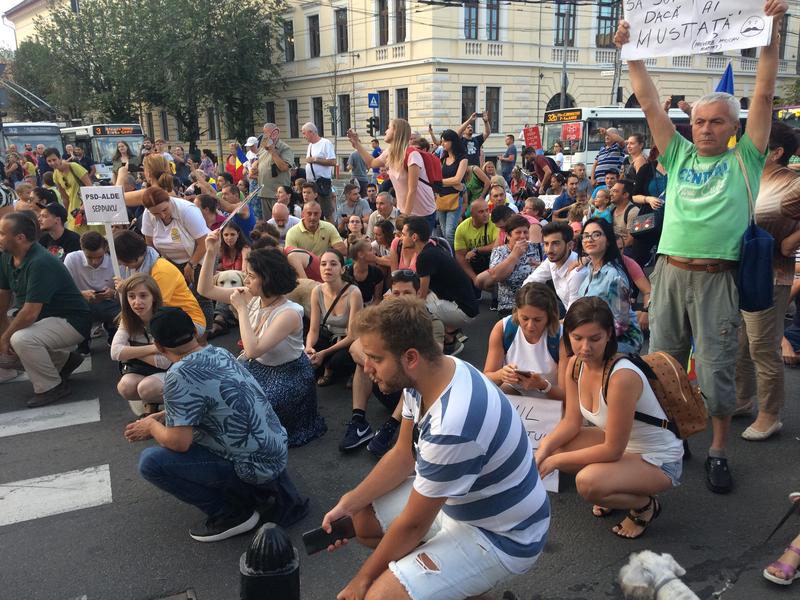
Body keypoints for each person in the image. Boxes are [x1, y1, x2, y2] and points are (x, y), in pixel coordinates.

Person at [615, 2, 785, 494]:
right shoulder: (679, 154)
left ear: (734, 127)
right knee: (663, 364)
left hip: (717, 277)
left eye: (716, 122)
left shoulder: (746, 159)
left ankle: (716, 450)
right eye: (700, 121)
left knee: (715, 370)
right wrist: (633, 52)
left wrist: (771, 36)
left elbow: (765, 90)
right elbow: (649, 103)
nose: (706, 128)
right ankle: (675, 438)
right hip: (669, 274)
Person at [322, 296, 550, 600]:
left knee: (379, 597)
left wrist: (362, 580)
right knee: (361, 521)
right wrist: (349, 502)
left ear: (411, 357)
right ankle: (451, 583)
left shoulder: (452, 425)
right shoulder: (435, 372)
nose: (366, 367)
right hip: (462, 503)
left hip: (503, 535)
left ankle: (448, 580)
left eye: (376, 358)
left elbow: (414, 524)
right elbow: (403, 455)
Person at [124, 306, 309, 542]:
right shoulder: (219, 353)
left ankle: (232, 513)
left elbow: (179, 443)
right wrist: (159, 418)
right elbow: (212, 403)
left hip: (252, 469)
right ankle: (247, 498)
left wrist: (150, 427)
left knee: (151, 462)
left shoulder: (179, 375)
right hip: (274, 453)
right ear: (194, 332)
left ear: (159, 347)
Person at [535, 296, 683, 538]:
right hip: (624, 445)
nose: (585, 348)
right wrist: (543, 450)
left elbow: (612, 450)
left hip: (658, 458)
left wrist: (553, 463)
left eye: (595, 339)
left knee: (587, 483)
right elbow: (571, 421)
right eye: (577, 338)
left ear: (609, 336)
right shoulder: (575, 364)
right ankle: (617, 484)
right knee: (556, 447)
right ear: (568, 335)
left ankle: (645, 506)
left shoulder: (621, 377)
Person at [198, 231, 326, 447]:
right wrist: (210, 252)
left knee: (251, 409)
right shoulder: (252, 295)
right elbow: (205, 289)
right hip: (257, 368)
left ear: (267, 279)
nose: (246, 280)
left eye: (251, 275)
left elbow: (253, 350)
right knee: (218, 393)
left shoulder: (289, 312)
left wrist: (241, 309)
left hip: (288, 374)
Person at [733, 121, 800, 440]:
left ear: (777, 152)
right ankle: (741, 399)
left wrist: (793, 241)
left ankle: (770, 414)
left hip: (772, 275)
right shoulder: (748, 177)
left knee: (763, 347)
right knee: (742, 343)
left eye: (759, 142)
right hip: (741, 271)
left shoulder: (792, 183)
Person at [341, 269, 447, 455]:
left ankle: (390, 427)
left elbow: (433, 363)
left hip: (413, 395)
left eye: (407, 293)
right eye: (396, 293)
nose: (400, 298)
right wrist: (379, 364)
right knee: (365, 360)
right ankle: (359, 422)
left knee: (415, 369)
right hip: (387, 383)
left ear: (419, 295)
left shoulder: (431, 322)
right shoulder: (384, 321)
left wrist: (389, 364)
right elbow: (354, 347)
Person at [0, 212, 89, 405]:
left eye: (1, 233)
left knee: (20, 339)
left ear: (20, 238)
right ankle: (63, 362)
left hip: (70, 321)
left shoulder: (40, 262)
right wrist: (1, 330)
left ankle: (52, 387)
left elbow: (30, 312)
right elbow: (3, 297)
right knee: (8, 345)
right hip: (42, 320)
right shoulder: (6, 257)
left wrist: (5, 337)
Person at [140, 186, 212, 331]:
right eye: (156, 213)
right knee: (176, 296)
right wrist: (159, 264)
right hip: (169, 258)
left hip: (200, 254)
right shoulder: (148, 215)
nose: (162, 215)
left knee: (202, 293)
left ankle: (207, 330)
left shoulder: (188, 211)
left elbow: (203, 242)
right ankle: (183, 328)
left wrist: (191, 264)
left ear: (170, 201)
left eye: (165, 210)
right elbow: (149, 242)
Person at [404, 216, 479, 354]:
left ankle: (447, 341)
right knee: (422, 302)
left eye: (403, 234)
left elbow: (422, 295)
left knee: (418, 310)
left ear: (414, 237)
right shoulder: (433, 247)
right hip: (467, 304)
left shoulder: (424, 257)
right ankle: (451, 331)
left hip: (463, 310)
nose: (401, 238)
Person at [347, 119, 437, 229]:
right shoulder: (389, 152)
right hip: (404, 211)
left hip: (422, 213)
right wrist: (357, 144)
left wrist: (405, 218)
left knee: (418, 246)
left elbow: (412, 189)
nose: (385, 131)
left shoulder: (413, 155)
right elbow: (372, 163)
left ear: (396, 132)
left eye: (389, 128)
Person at [113, 229, 206, 334]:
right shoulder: (135, 267)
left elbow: (156, 307)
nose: (121, 264)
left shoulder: (161, 269)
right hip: (166, 318)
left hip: (189, 321)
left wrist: (126, 290)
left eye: (122, 260)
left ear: (131, 256)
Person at [484, 282, 566, 400]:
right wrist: (501, 375)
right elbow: (486, 378)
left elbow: (565, 395)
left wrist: (543, 385)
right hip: (515, 390)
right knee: (497, 396)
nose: (530, 326)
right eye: (525, 318)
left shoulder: (562, 337)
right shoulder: (503, 328)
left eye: (537, 319)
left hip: (550, 398)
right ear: (517, 312)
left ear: (549, 316)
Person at [577, 218, 642, 354]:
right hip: (594, 335)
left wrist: (588, 337)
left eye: (596, 234)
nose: (590, 239)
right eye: (586, 235)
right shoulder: (589, 268)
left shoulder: (614, 276)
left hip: (621, 341)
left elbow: (621, 324)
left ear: (608, 241)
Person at [112, 273, 171, 417]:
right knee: (126, 386)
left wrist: (131, 348)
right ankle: (152, 403)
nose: (137, 302)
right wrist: (154, 348)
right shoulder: (128, 319)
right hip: (147, 370)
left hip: (173, 371)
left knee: (147, 388)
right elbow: (115, 352)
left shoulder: (165, 318)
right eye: (131, 296)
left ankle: (175, 407)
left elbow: (164, 362)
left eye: (143, 296)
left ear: (154, 297)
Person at [305, 249, 363, 386]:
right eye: (323, 264)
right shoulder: (317, 291)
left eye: (333, 264)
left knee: (339, 361)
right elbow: (313, 329)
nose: (327, 268)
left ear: (342, 269)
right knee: (306, 351)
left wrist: (324, 353)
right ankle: (328, 367)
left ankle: (349, 370)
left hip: (349, 339)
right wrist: (308, 348)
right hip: (329, 336)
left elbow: (352, 335)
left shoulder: (354, 293)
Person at [477, 214, 544, 317]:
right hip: (510, 307)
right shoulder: (500, 252)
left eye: (525, 232)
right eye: (518, 232)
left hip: (537, 303)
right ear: (508, 235)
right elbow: (496, 276)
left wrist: (542, 266)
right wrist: (514, 255)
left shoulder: (538, 248)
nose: (522, 236)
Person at [64, 231, 118, 355]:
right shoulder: (72, 259)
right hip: (82, 303)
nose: (94, 262)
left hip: (109, 302)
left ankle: (112, 329)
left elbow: (125, 288)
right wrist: (81, 294)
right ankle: (83, 339)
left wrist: (114, 293)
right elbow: (63, 290)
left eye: (99, 257)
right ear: (82, 250)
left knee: (124, 307)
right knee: (73, 309)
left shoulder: (114, 260)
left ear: (105, 249)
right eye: (90, 257)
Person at [523, 221, 587, 311]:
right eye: (546, 244)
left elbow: (574, 316)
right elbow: (529, 283)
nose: (549, 250)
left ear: (570, 245)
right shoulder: (551, 261)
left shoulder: (577, 272)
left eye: (555, 243)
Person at [45, 147, 97, 235]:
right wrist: (67, 213)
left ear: (60, 158)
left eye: (54, 159)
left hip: (87, 206)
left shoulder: (73, 166)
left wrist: (84, 206)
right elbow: (64, 197)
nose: (52, 163)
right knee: (77, 235)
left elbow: (90, 187)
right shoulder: (55, 175)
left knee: (92, 235)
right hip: (73, 211)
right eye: (49, 161)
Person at [454, 198, 498, 285]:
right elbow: (460, 256)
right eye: (481, 212)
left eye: (487, 210)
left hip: (492, 262)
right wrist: (474, 278)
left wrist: (477, 250)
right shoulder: (462, 228)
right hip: (473, 264)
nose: (486, 214)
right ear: (472, 214)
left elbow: (497, 245)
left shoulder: (493, 222)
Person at [436, 130, 468, 249]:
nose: (443, 143)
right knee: (444, 232)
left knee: (450, 232)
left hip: (454, 197)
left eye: (445, 141)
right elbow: (439, 177)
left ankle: (453, 258)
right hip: (441, 197)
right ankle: (448, 256)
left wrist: (440, 182)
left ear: (453, 141)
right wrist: (443, 183)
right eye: (442, 141)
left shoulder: (463, 159)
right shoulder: (443, 158)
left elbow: (457, 179)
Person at [255, 123, 294, 221]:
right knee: (269, 223)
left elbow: (284, 167)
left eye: (266, 133)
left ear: (275, 133)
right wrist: (254, 169)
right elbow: (259, 162)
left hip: (277, 194)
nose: (264, 136)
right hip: (264, 192)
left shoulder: (285, 148)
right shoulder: (263, 148)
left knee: (280, 221)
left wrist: (272, 151)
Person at [302, 122, 337, 221]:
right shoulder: (310, 145)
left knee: (327, 211)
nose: (303, 136)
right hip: (311, 184)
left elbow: (333, 161)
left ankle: (332, 234)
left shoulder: (325, 143)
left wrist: (315, 160)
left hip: (321, 183)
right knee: (312, 211)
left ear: (311, 132)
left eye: (304, 133)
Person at [345, 240, 384, 306]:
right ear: (360, 254)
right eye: (370, 250)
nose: (374, 252)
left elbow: (377, 299)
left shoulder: (377, 273)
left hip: (369, 310)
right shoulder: (346, 274)